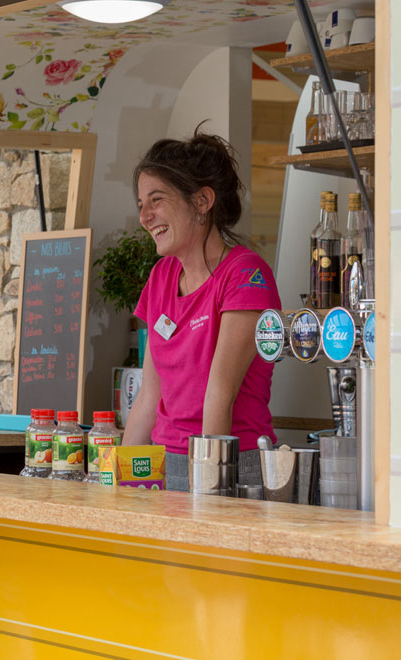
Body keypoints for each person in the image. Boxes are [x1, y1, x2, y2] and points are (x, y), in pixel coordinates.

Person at [121, 130, 281, 492]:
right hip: (166, 466)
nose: (145, 216)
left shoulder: (246, 275)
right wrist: (123, 483)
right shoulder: (162, 276)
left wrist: (208, 490)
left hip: (231, 467)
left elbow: (218, 395)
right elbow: (149, 395)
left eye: (156, 200)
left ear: (202, 201)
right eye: (141, 203)